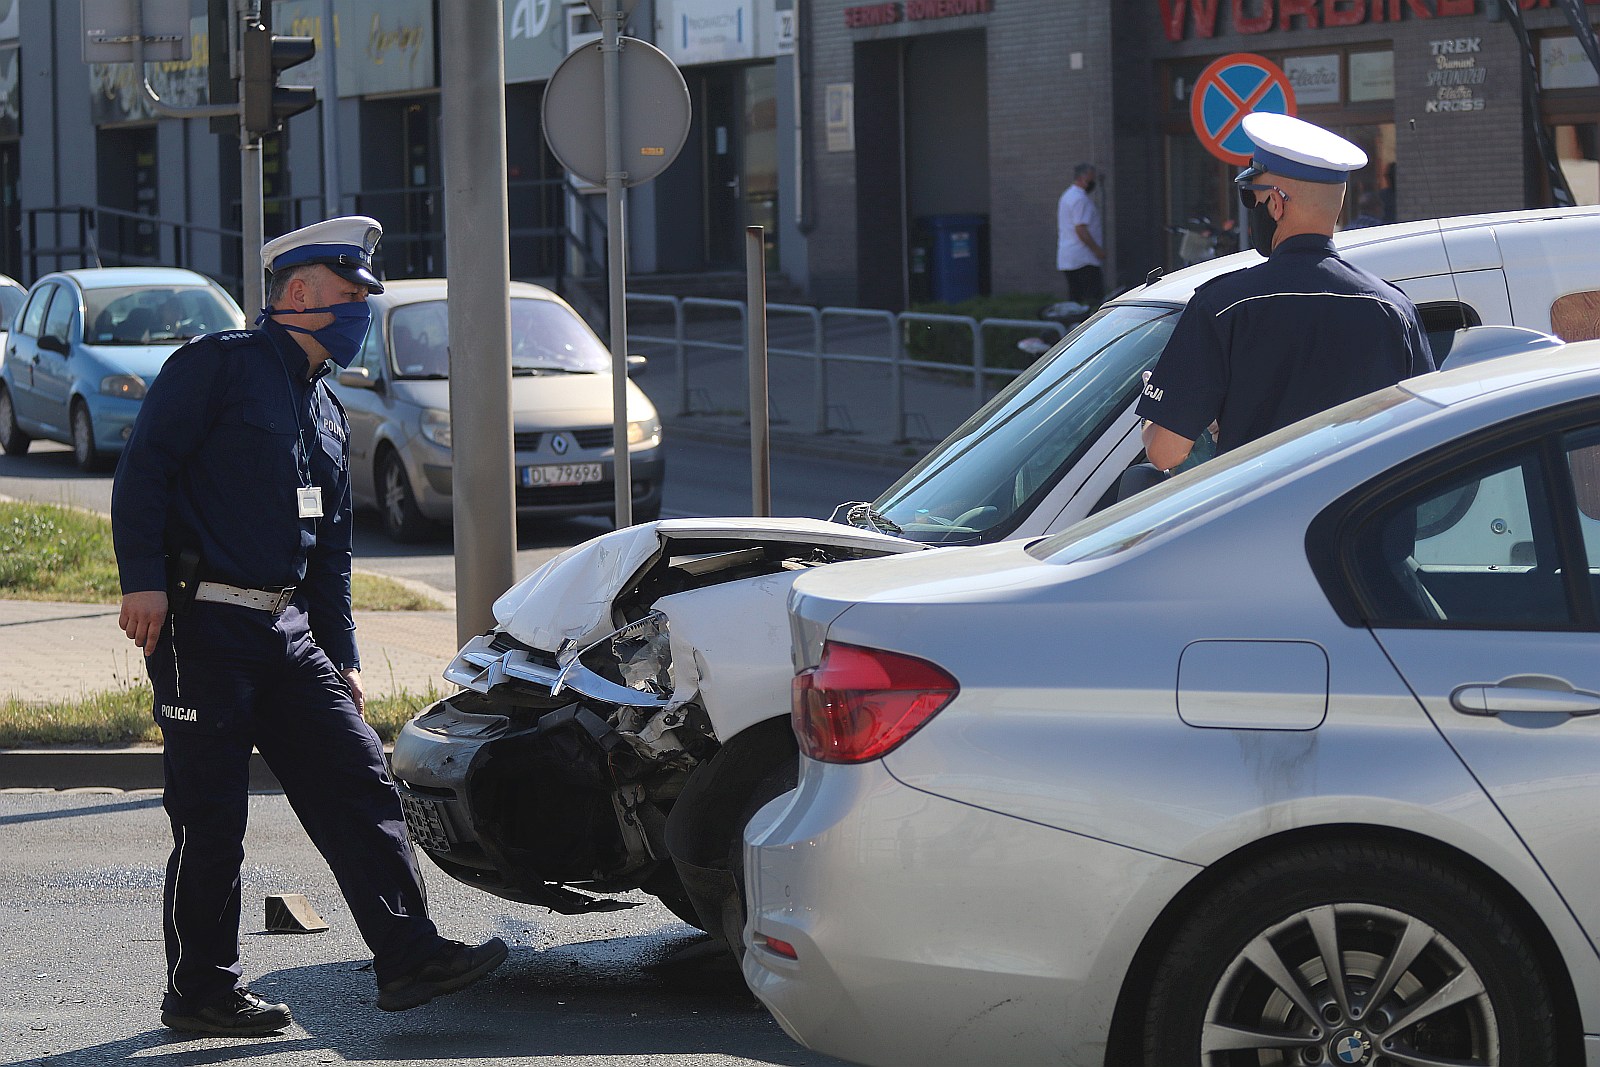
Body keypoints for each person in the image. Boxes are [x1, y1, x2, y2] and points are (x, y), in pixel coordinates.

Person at [111, 217, 507, 1037]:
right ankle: (200, 990)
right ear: (298, 294)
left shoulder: (326, 408)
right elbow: (144, 468)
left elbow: (330, 549)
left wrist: (345, 656)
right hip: (201, 625)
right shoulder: (218, 368)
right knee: (213, 817)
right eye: (350, 292)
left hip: (286, 631)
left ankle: (408, 954)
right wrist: (142, 582)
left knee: (359, 779)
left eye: (365, 293)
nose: (362, 306)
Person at [1132, 114, 1433, 485]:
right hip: (1365, 534)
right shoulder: (1394, 309)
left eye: (1252, 197)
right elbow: (1424, 438)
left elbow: (1165, 452)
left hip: (1258, 531)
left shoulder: (1222, 306)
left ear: (1276, 203)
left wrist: (1156, 416)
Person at [1056, 162, 1106, 310]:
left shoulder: (1067, 196)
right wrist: (1097, 250)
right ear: (1082, 178)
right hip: (1083, 258)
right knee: (1094, 300)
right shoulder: (1080, 199)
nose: (1093, 182)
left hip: (1069, 257)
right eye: (1091, 178)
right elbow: (1081, 229)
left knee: (1075, 300)